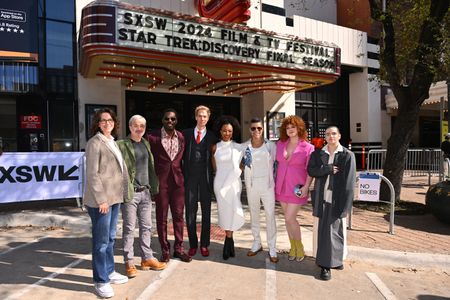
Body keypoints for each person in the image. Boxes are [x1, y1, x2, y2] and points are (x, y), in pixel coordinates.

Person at [83, 108, 128, 298]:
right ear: (98, 124)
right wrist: (101, 199)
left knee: (110, 239)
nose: (107, 123)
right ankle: (100, 281)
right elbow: (93, 174)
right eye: (103, 121)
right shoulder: (95, 143)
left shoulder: (113, 142)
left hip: (114, 198)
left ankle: (109, 271)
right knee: (100, 243)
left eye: (110, 120)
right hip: (101, 201)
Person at [117, 115, 166, 279]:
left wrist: (153, 187)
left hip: (146, 192)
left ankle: (147, 258)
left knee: (146, 227)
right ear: (130, 127)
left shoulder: (146, 143)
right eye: (136, 125)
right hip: (131, 193)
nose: (139, 128)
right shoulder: (122, 145)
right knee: (129, 228)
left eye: (142, 126)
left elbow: (150, 167)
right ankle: (129, 262)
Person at [307, 126, 356, 281]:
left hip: (338, 199)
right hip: (322, 198)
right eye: (327, 134)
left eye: (334, 133)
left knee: (336, 231)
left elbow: (349, 182)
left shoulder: (347, 155)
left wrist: (346, 206)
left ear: (339, 135)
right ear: (325, 137)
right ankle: (325, 265)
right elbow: (311, 171)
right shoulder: (318, 153)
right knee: (323, 231)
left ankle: (335, 260)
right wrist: (326, 169)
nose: (330, 136)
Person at [148, 109, 192, 263]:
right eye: (167, 119)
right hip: (161, 183)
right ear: (162, 120)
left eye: (173, 119)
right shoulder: (152, 137)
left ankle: (179, 249)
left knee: (179, 216)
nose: (170, 121)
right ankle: (165, 250)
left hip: (178, 183)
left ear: (176, 121)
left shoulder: (181, 137)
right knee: (162, 217)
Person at [275, 115, 314, 262]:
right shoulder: (280, 144)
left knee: (290, 217)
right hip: (282, 185)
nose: (290, 130)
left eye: (293, 127)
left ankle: (300, 247)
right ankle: (293, 247)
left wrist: (306, 187)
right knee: (287, 219)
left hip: (297, 187)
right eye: (288, 127)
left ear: (299, 128)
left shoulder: (308, 147)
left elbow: (310, 170)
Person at [183, 105, 218, 257]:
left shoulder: (212, 137)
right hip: (190, 177)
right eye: (200, 116)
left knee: (206, 213)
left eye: (205, 116)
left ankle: (204, 244)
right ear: (195, 117)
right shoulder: (186, 134)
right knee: (190, 213)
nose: (202, 118)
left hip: (206, 178)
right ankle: (192, 244)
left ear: (208, 118)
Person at [242, 117, 278, 263]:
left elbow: (277, 164)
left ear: (263, 129)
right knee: (254, 214)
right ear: (250, 130)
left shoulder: (270, 146)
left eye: (259, 128)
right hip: (251, 185)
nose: (256, 131)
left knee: (270, 215)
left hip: (267, 184)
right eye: (253, 128)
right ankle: (256, 243)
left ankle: (272, 247)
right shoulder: (245, 146)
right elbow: (240, 164)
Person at [211, 116, 245, 260]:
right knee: (224, 212)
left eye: (230, 131)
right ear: (220, 131)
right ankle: (228, 239)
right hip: (220, 183)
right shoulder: (215, 147)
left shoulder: (239, 147)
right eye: (224, 131)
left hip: (234, 184)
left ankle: (229, 241)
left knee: (233, 210)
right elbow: (214, 168)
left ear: (233, 132)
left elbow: (243, 165)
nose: (227, 133)